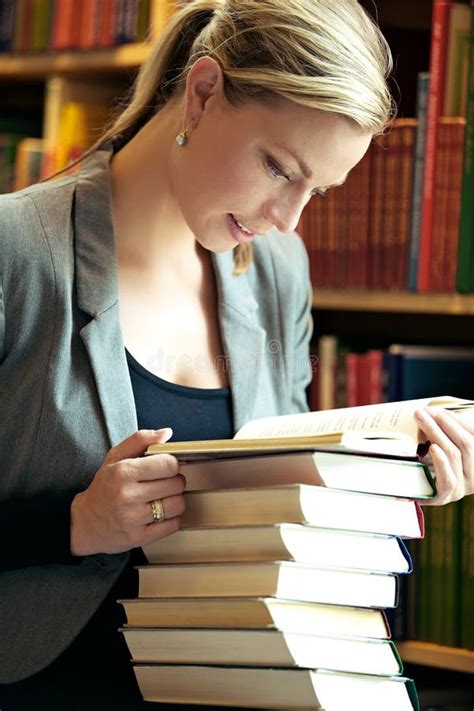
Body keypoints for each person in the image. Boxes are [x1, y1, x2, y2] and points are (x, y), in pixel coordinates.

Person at [0, 0, 472, 708]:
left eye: (317, 190)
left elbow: (275, 511)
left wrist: (397, 476)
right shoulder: (17, 252)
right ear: (202, 92)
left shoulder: (278, 273)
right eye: (280, 169)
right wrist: (74, 522)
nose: (288, 219)